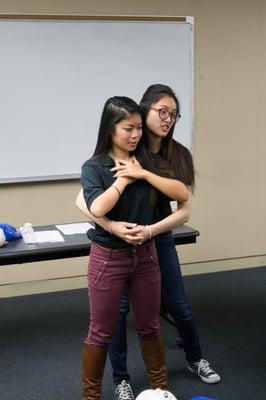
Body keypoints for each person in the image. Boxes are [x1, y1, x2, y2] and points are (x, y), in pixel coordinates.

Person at [77, 85, 221, 400]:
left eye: (138, 128)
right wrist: (119, 202)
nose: (135, 134)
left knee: (159, 319)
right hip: (111, 256)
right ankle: (107, 387)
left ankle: (170, 381)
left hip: (150, 249)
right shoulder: (99, 164)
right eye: (129, 128)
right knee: (106, 326)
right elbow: (92, 205)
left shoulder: (151, 159)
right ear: (113, 128)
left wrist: (142, 175)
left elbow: (183, 197)